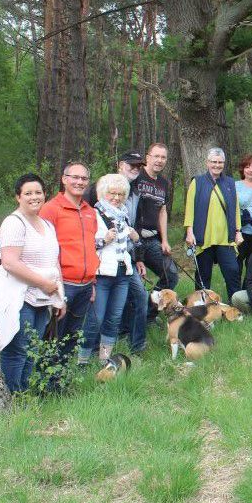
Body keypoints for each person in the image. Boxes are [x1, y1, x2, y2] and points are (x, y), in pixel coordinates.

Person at [0, 174, 63, 392]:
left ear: (44, 195)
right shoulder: (14, 223)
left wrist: (61, 296)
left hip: (44, 297)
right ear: (18, 197)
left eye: (38, 192)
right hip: (19, 297)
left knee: (32, 349)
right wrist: (42, 283)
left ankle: (23, 395)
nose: (34, 197)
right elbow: (10, 262)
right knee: (17, 350)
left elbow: (54, 262)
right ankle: (11, 398)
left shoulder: (48, 225)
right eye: (28, 193)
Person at [87, 150, 150, 355]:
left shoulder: (132, 198)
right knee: (99, 315)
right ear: (120, 165)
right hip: (102, 269)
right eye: (131, 165)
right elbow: (86, 237)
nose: (135, 169)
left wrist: (138, 256)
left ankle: (135, 346)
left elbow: (136, 229)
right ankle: (87, 355)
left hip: (126, 264)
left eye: (139, 166)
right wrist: (102, 240)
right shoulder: (96, 200)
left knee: (138, 299)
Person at [40, 161, 99, 364]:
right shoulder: (50, 209)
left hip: (84, 286)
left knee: (72, 336)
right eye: (75, 177)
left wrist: (92, 283)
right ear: (64, 179)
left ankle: (61, 380)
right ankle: (45, 384)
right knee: (53, 335)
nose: (79, 182)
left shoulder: (90, 211)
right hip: (62, 284)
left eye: (84, 179)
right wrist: (55, 286)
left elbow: (90, 248)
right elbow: (45, 250)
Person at [83, 174, 140, 365]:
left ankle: (104, 359)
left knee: (114, 318)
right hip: (102, 275)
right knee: (96, 318)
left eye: (120, 194)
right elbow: (85, 245)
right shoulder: (93, 214)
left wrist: (135, 237)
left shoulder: (123, 215)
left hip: (123, 273)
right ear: (102, 194)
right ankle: (82, 359)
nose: (116, 198)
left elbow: (128, 246)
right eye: (112, 194)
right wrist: (103, 240)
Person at [185, 147, 243, 297]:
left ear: (224, 163)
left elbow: (236, 209)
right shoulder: (197, 182)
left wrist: (238, 231)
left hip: (226, 238)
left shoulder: (230, 183)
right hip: (204, 237)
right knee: (203, 276)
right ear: (207, 163)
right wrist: (189, 232)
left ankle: (235, 306)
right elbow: (190, 209)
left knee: (233, 271)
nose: (217, 165)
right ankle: (201, 307)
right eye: (214, 162)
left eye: (220, 162)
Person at [131, 143, 179, 317]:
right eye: (156, 156)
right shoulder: (136, 177)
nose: (159, 160)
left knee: (171, 275)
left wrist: (165, 240)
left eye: (163, 157)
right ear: (148, 157)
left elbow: (162, 210)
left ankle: (149, 315)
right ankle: (126, 325)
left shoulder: (164, 184)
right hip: (133, 239)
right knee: (132, 285)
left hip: (152, 240)